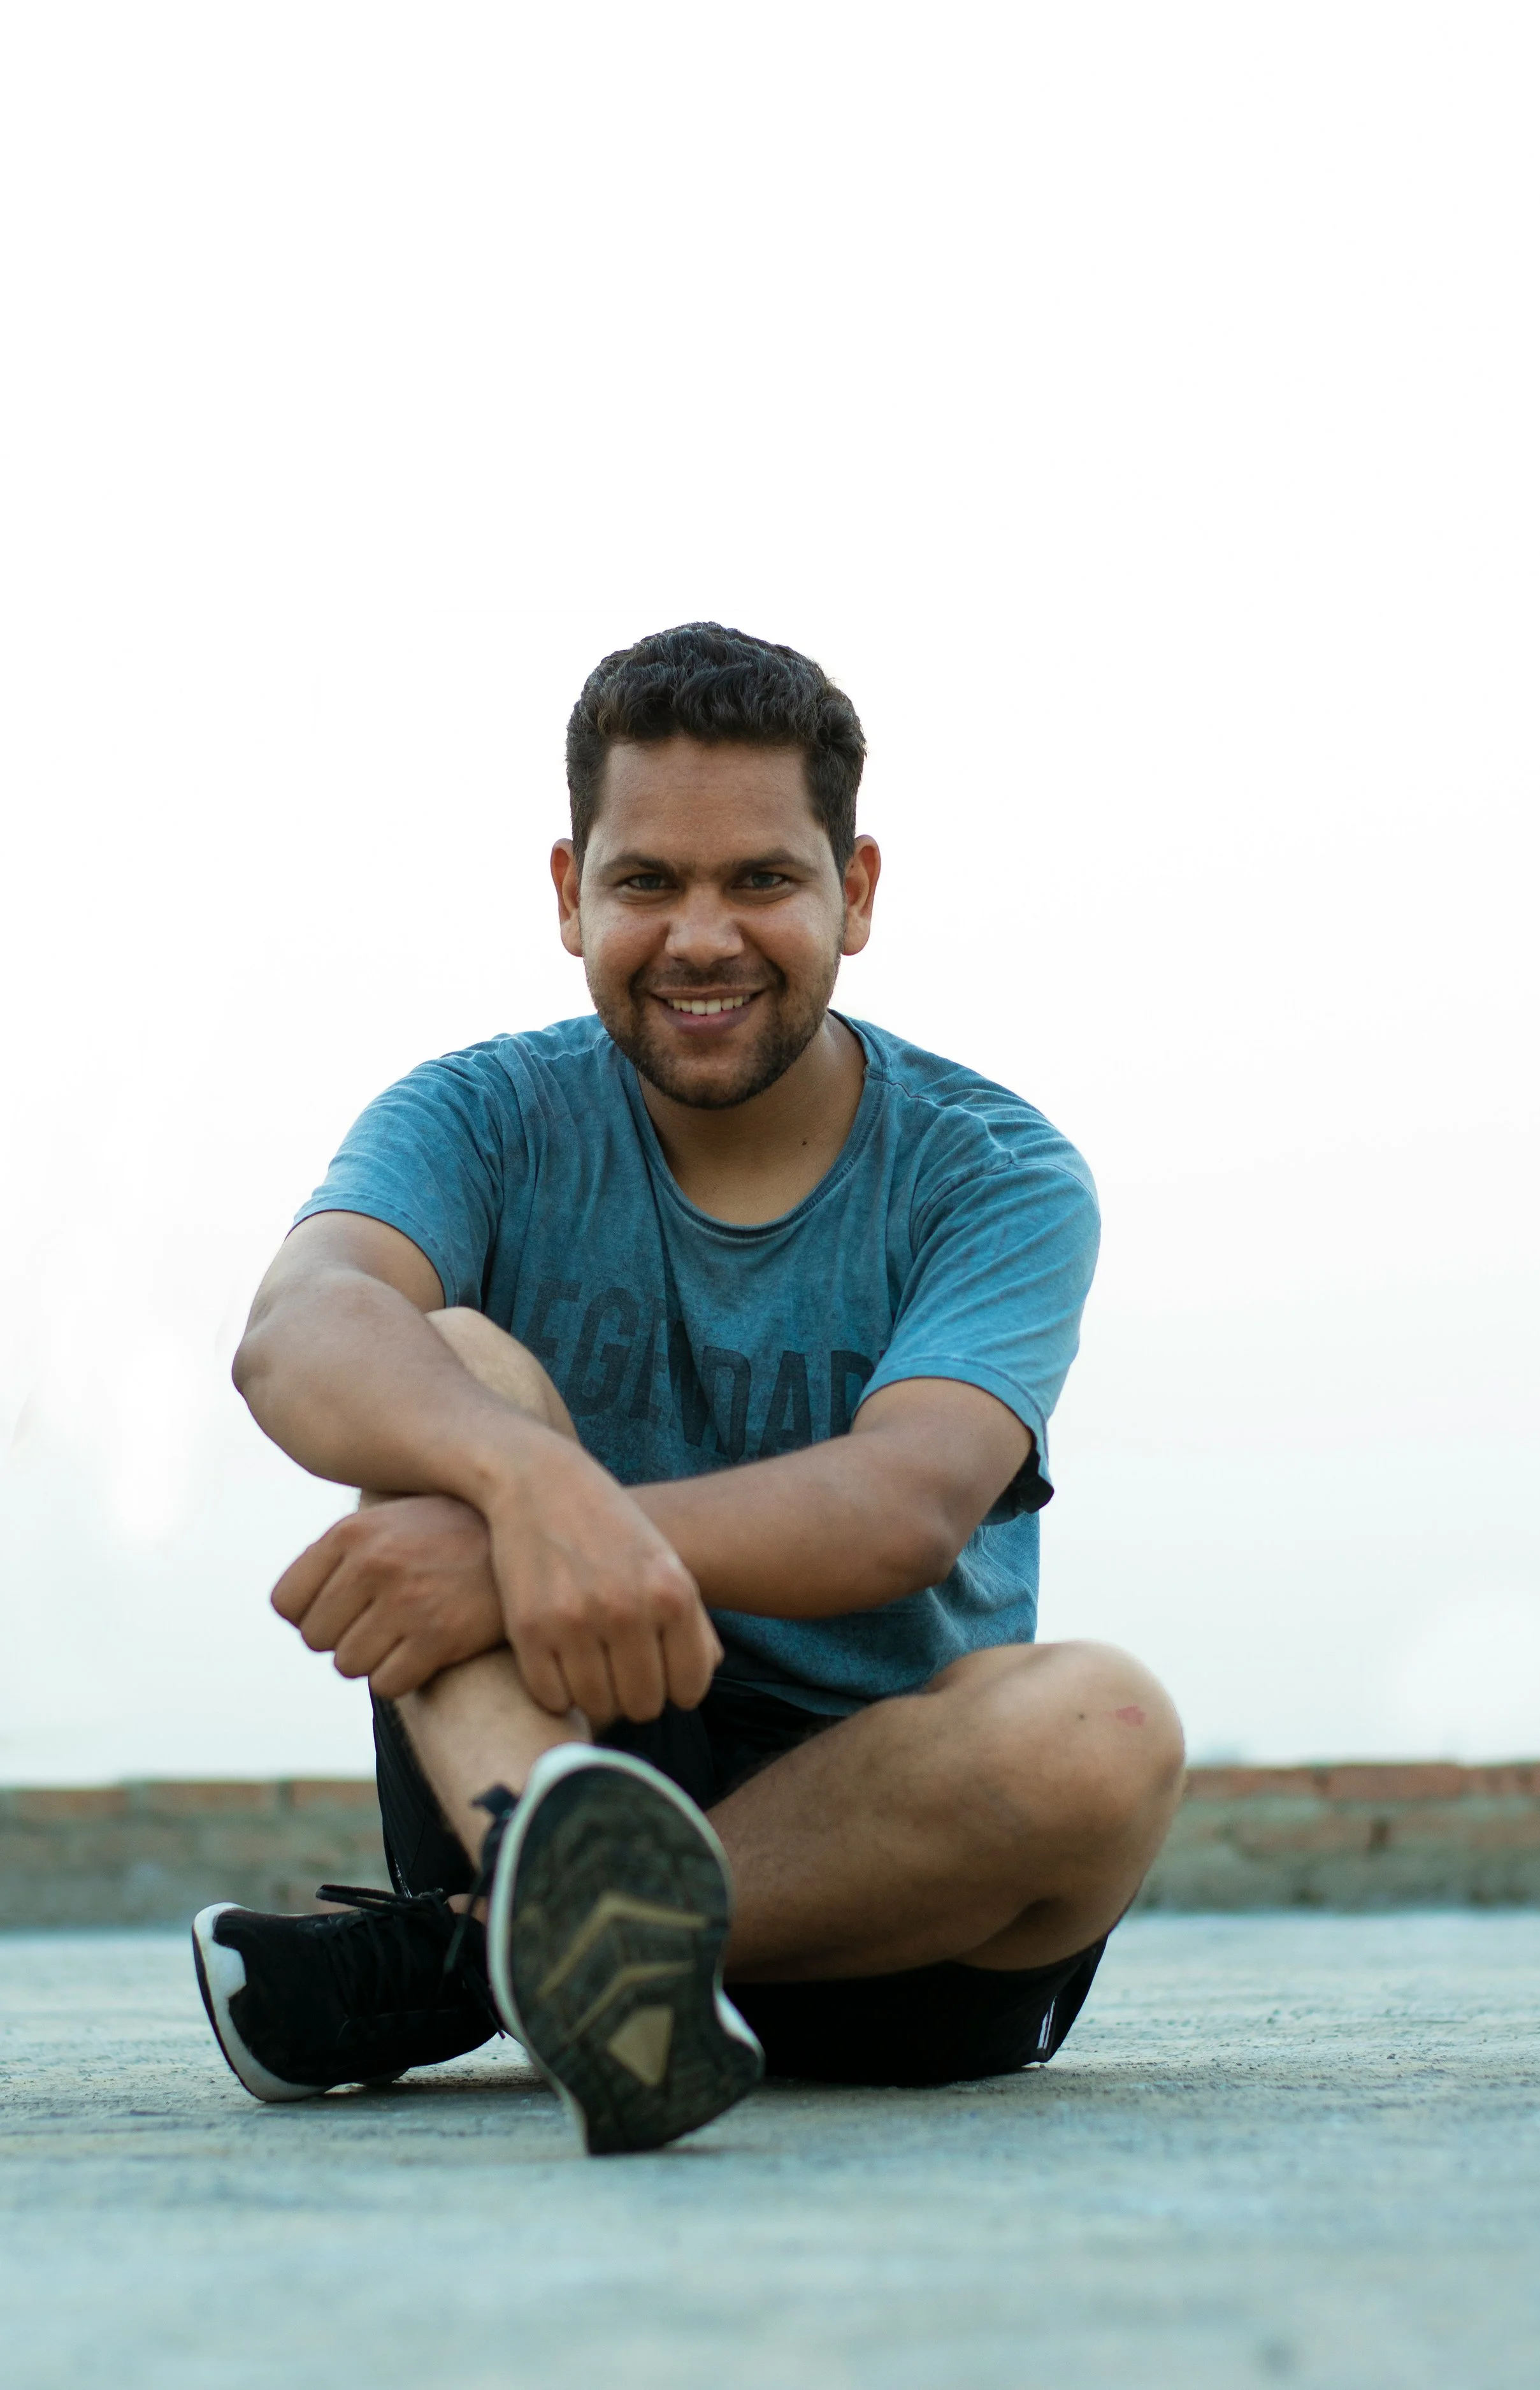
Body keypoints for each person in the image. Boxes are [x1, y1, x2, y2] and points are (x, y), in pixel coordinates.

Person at [192, 622, 1184, 2155]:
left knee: (1104, 1727)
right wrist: (525, 1497)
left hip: (896, 1886)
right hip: (550, 1750)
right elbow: (300, 1329)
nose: (701, 936)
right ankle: (551, 1910)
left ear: (851, 895)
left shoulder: (992, 1169)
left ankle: (480, 1958)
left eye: (761, 882)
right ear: (568, 893)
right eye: (647, 881)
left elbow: (907, 1504)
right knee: (443, 1361)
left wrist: (520, 1534)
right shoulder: (482, 1113)